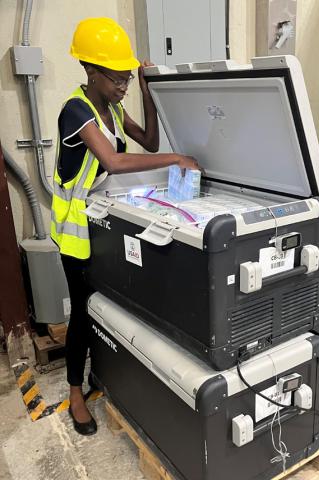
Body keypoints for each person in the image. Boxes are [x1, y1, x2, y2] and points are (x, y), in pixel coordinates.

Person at [50, 17, 199, 436]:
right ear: (91, 72)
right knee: (82, 312)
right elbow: (114, 161)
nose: (122, 86)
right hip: (75, 231)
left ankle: (109, 370)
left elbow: (149, 141)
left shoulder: (112, 107)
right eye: (116, 79)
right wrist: (175, 159)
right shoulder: (75, 111)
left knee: (109, 304)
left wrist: (148, 91)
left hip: (100, 225)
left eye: (126, 79)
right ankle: (75, 391)